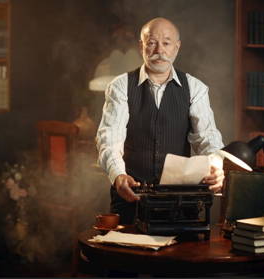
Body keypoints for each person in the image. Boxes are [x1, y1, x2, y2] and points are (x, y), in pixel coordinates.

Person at [96, 17, 224, 224]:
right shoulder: (120, 86)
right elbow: (109, 139)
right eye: (152, 42)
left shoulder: (196, 88)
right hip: (131, 198)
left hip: (181, 203)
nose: (159, 50)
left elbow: (207, 138)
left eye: (166, 43)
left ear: (177, 47)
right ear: (141, 46)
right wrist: (118, 175)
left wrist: (216, 168)